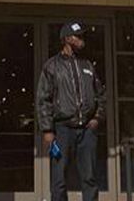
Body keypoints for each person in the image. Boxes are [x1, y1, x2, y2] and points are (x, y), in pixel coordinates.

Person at [36, 21, 105, 201]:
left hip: (87, 130)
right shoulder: (52, 66)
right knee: (59, 178)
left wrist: (97, 118)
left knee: (89, 177)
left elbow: (101, 95)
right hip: (62, 130)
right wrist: (47, 130)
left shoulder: (88, 65)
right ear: (67, 39)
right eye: (78, 36)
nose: (82, 40)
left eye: (82, 36)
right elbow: (43, 100)